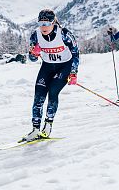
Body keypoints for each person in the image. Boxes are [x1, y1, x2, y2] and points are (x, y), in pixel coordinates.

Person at [22, 9, 79, 141]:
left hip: (64, 66)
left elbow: (75, 53)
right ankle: (35, 130)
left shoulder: (64, 34)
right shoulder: (35, 35)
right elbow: (32, 59)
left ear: (53, 22)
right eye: (40, 23)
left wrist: (74, 72)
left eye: (47, 23)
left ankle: (47, 126)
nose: (43, 27)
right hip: (47, 66)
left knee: (53, 92)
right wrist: (34, 54)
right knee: (38, 97)